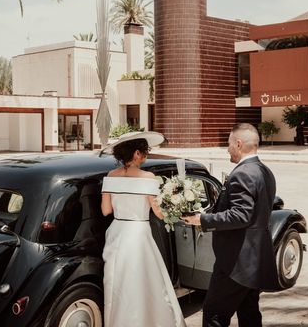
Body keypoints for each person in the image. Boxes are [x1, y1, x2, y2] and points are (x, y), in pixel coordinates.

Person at [183, 123, 279, 327]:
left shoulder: (243, 173)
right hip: (254, 259)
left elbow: (240, 215)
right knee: (249, 314)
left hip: (236, 262)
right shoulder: (265, 171)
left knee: (214, 315)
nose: (227, 149)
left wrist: (201, 219)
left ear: (238, 143)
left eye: (228, 144)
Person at [101, 136, 186, 327]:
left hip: (116, 231)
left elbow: (106, 210)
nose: (146, 156)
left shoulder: (110, 176)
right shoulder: (148, 178)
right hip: (138, 232)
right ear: (136, 153)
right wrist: (176, 204)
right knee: (142, 281)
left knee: (117, 282)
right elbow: (159, 214)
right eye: (145, 152)